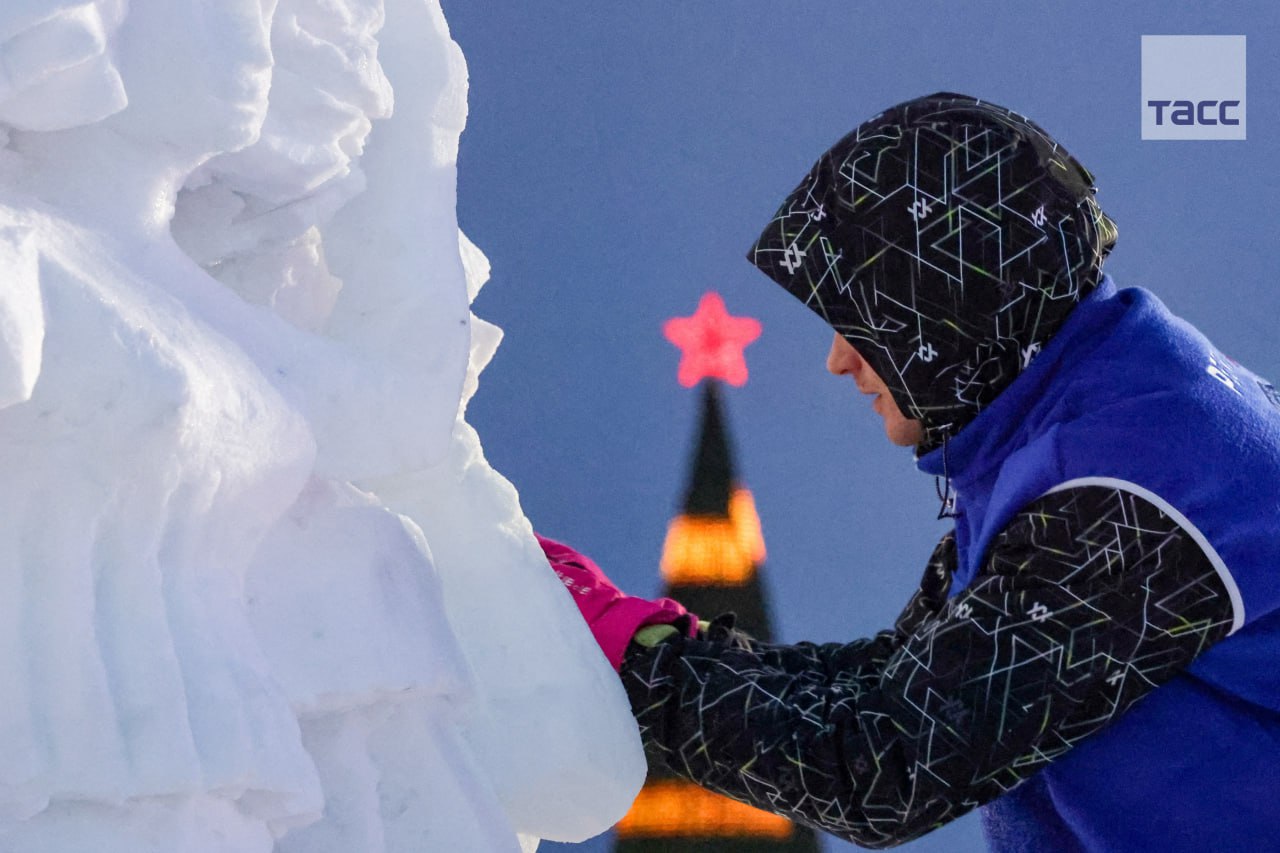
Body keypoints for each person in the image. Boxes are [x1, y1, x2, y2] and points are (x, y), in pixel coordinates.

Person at [538, 91, 1280, 852]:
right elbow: (901, 681)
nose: (839, 360)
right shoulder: (1096, 410)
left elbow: (883, 767)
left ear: (951, 302)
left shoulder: (1134, 492)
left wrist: (637, 657)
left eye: (861, 318)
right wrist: (665, 642)